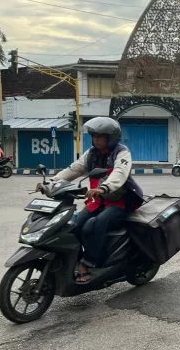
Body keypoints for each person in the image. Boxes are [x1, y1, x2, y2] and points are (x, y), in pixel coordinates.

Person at [38, 117, 144, 284]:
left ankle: (89, 263)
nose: (95, 139)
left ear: (111, 137)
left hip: (121, 201)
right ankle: (76, 258)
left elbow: (119, 173)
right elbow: (74, 169)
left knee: (95, 224)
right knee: (73, 225)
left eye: (100, 136)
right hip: (98, 201)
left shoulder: (122, 152)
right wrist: (52, 182)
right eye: (94, 135)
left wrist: (103, 188)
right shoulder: (92, 153)